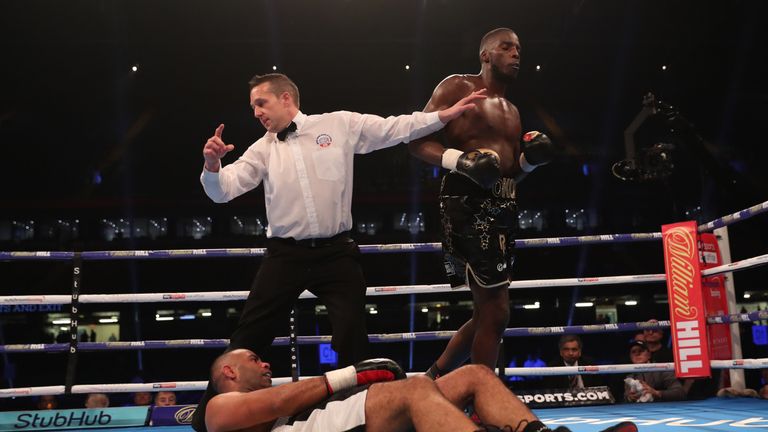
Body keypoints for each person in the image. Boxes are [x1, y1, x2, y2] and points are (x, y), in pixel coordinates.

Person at [194, 72, 486, 431]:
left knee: (351, 333)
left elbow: (394, 128)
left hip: (337, 252)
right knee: (248, 334)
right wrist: (212, 165)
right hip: (286, 254)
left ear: (286, 98)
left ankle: (365, 414)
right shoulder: (262, 149)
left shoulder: (338, 125)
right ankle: (208, 414)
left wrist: (443, 115)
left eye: (261, 103)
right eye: (253, 106)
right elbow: (222, 190)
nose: (255, 112)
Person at [409, 27, 555, 375]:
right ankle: (481, 399)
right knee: (497, 311)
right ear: (486, 55)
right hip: (466, 205)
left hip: (503, 207)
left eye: (519, 48)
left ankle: (432, 380)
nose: (516, 54)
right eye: (506, 47)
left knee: (487, 313)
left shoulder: (513, 110)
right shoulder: (459, 87)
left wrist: (530, 162)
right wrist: (460, 160)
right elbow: (415, 141)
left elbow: (505, 174)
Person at [204, 348, 638, 432]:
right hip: (335, 425)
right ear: (228, 372)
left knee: (476, 375)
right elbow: (280, 401)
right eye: (254, 361)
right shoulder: (219, 409)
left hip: (348, 416)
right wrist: (351, 374)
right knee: (414, 390)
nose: (266, 364)